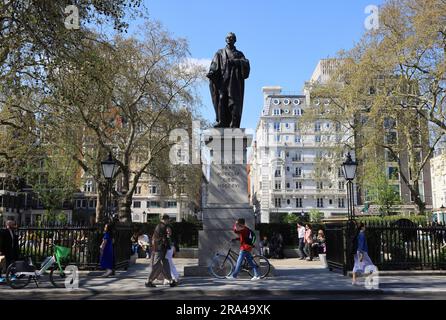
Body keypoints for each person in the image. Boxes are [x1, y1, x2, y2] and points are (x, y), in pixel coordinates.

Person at [207, 32, 250, 128]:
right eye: (228, 38)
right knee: (221, 100)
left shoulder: (239, 54)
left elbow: (246, 63)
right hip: (223, 82)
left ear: (235, 40)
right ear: (225, 40)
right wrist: (211, 72)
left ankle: (234, 124)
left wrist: (236, 62)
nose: (229, 39)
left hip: (234, 83)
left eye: (231, 38)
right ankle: (221, 121)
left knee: (234, 103)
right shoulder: (220, 52)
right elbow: (214, 64)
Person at [145, 214, 177, 288]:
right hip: (159, 249)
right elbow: (164, 239)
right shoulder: (162, 226)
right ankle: (149, 281)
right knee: (156, 265)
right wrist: (168, 244)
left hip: (160, 248)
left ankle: (170, 280)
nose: (168, 221)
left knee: (165, 264)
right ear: (166, 219)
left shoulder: (160, 226)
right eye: (168, 220)